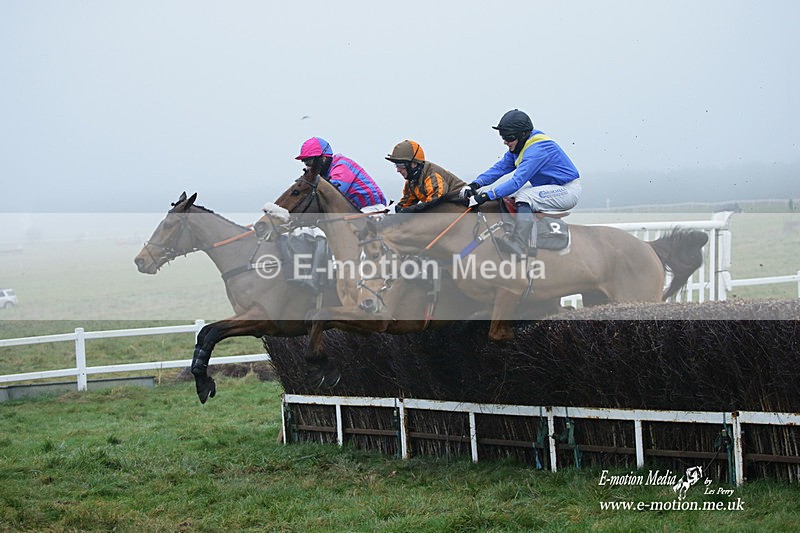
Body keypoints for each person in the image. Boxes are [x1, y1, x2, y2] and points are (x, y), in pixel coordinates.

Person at [466, 109, 581, 256]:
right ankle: (510, 231)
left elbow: (516, 182)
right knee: (509, 196)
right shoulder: (521, 145)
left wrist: (485, 196)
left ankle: (519, 245)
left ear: (522, 134)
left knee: (523, 196)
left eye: (509, 137)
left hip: (566, 191)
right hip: (550, 187)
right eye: (502, 136)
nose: (505, 141)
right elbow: (500, 168)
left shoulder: (537, 150)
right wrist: (476, 184)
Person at [295, 137, 387, 212]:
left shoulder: (342, 166)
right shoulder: (325, 173)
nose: (308, 167)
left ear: (323, 158)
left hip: (373, 208)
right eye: (305, 162)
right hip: (355, 211)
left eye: (310, 162)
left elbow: (328, 196)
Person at [386, 140, 466, 213]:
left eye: (401, 165)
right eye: (396, 165)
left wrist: (401, 211)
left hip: (465, 211)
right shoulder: (411, 182)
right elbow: (405, 205)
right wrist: (391, 211)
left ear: (414, 164)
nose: (398, 170)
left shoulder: (432, 177)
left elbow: (433, 206)